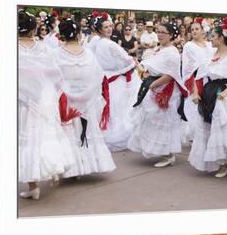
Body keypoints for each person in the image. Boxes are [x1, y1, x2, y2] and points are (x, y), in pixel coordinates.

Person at [17, 10, 76, 200]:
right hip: (43, 99)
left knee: (27, 140)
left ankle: (33, 185)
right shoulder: (43, 48)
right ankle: (53, 169)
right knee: (45, 136)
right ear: (34, 28)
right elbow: (56, 74)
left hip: (22, 101)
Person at [52, 18, 117, 178]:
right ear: (79, 34)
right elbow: (97, 75)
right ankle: (88, 165)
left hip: (66, 101)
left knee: (70, 132)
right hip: (86, 99)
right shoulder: (87, 53)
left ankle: (74, 169)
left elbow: (52, 78)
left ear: (61, 35)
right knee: (87, 130)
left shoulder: (55, 54)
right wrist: (88, 93)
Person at [188, 21, 227, 178]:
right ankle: (213, 161)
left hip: (222, 95)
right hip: (208, 93)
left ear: (221, 38)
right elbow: (198, 77)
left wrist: (226, 92)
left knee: (221, 128)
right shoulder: (209, 56)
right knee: (208, 127)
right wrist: (196, 93)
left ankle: (224, 163)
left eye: (213, 37)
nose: (210, 40)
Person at [128, 23, 188, 166]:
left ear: (171, 35)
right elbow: (151, 67)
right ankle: (160, 150)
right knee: (152, 119)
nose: (160, 34)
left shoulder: (173, 52)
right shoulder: (159, 49)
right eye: (158, 32)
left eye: (163, 32)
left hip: (165, 90)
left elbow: (170, 75)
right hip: (154, 86)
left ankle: (169, 154)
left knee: (164, 120)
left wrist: (152, 85)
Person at [92, 12, 141, 151]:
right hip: (117, 80)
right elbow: (127, 60)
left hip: (106, 79)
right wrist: (135, 63)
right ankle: (120, 135)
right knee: (121, 109)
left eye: (110, 26)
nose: (109, 29)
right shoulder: (109, 44)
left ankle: (108, 133)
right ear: (99, 29)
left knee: (113, 109)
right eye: (105, 27)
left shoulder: (96, 42)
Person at [181, 19, 215, 143]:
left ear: (202, 31)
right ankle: (196, 136)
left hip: (211, 79)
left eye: (197, 29)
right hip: (196, 79)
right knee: (195, 109)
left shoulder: (210, 45)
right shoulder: (188, 46)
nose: (194, 31)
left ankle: (209, 134)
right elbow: (189, 65)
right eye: (192, 29)